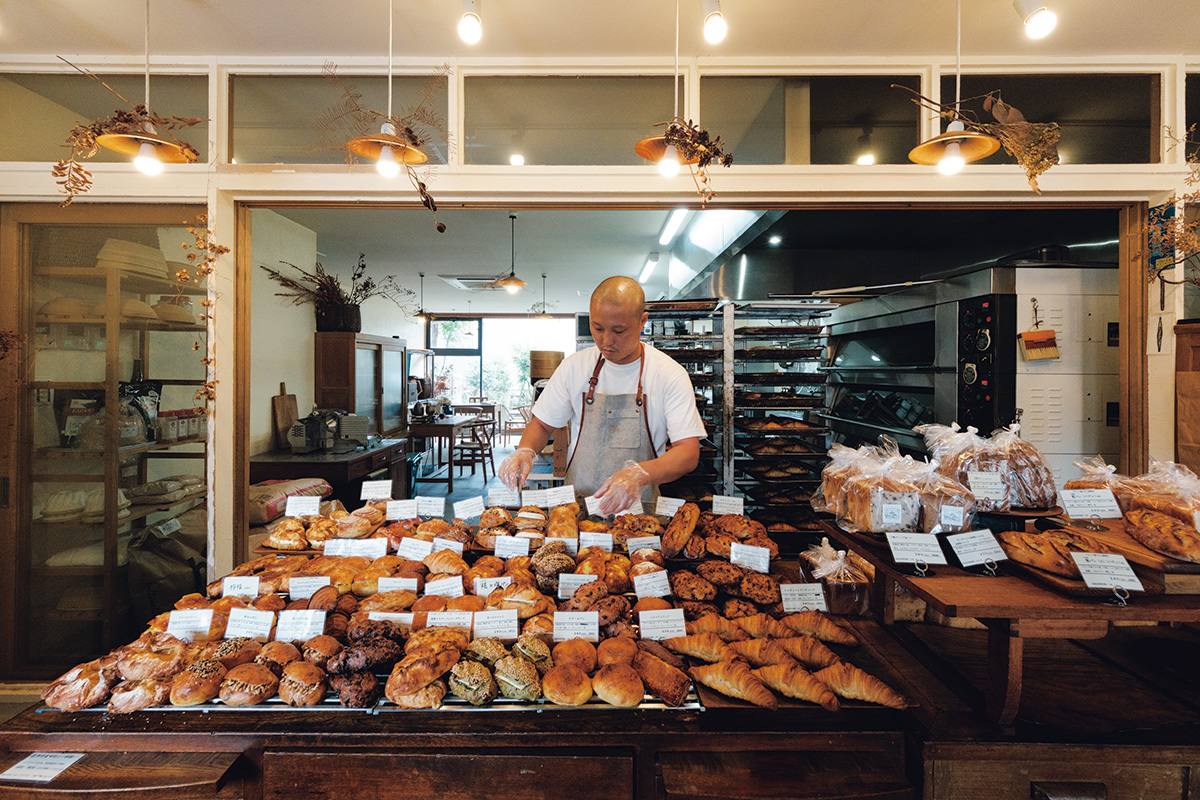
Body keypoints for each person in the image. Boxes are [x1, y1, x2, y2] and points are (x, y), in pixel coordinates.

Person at [498, 276, 705, 515]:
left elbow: (688, 453)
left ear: (642, 322)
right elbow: (543, 424)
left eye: (619, 330)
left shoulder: (668, 374)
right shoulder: (574, 367)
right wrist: (525, 451)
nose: (606, 341)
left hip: (639, 517)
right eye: (597, 328)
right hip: (576, 509)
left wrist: (637, 474)